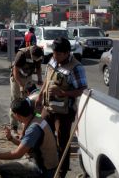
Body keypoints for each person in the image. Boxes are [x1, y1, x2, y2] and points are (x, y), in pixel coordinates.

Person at [36, 37, 88, 178]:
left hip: (64, 113)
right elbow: (47, 79)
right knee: (43, 137)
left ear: (67, 53)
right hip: (48, 108)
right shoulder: (53, 60)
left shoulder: (76, 68)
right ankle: (45, 166)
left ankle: (61, 172)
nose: (55, 56)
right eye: (54, 53)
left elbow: (83, 90)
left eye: (58, 54)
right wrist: (40, 96)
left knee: (62, 143)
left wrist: (63, 92)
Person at [0, 98, 59, 178]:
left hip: (43, 169)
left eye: (13, 114)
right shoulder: (36, 117)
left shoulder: (33, 128)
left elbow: (17, 154)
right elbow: (26, 145)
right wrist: (11, 138)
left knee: (2, 170)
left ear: (17, 115)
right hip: (46, 163)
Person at [10, 45, 43, 135]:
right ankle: (14, 127)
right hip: (17, 78)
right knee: (16, 101)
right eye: (34, 58)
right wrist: (21, 85)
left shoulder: (38, 55)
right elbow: (15, 70)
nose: (36, 60)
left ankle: (27, 126)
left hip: (28, 77)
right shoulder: (21, 54)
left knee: (28, 102)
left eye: (37, 58)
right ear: (31, 54)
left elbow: (38, 68)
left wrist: (40, 79)